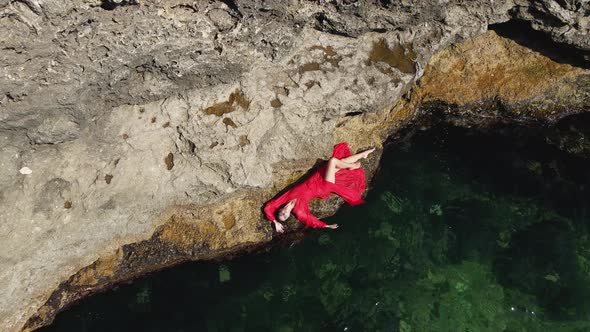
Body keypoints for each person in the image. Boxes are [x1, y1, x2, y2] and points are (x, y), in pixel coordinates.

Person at [263, 142, 375, 233]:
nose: (284, 214)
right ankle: (353, 166)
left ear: (280, 210)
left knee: (340, 163)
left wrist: (275, 222)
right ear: (288, 216)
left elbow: (267, 208)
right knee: (333, 161)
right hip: (323, 186)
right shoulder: (299, 210)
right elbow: (310, 221)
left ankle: (362, 155)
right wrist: (326, 226)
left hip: (315, 179)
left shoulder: (283, 199)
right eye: (285, 216)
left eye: (281, 214)